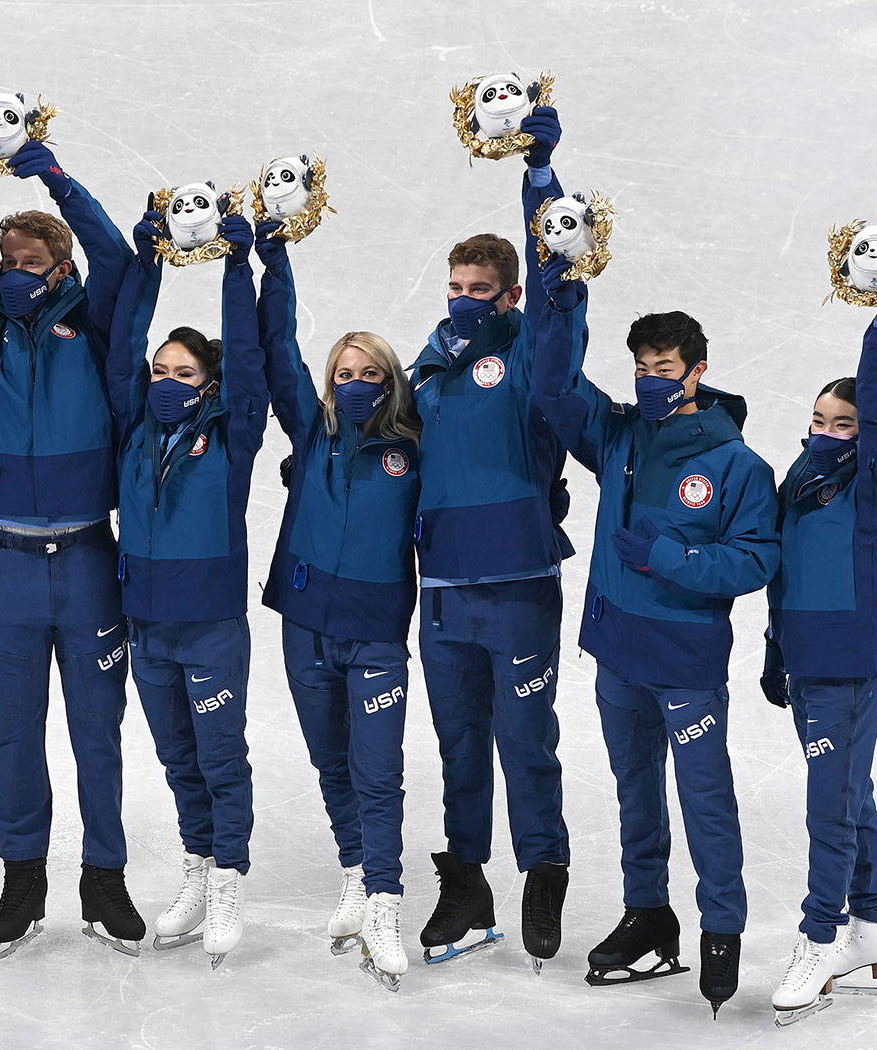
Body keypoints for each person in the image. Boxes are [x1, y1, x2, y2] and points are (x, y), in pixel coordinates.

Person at [528, 148, 779, 1014]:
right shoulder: (623, 438)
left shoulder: (738, 463)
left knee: (705, 799)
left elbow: (756, 559)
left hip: (686, 659)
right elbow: (556, 386)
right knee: (636, 796)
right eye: (641, 368)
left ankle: (722, 926)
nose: (649, 381)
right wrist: (563, 291)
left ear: (698, 371)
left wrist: (669, 560)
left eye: (665, 370)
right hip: (617, 654)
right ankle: (648, 914)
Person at [0, 130, 139, 956]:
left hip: (87, 561)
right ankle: (23, 875)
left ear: (60, 267)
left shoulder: (100, 322)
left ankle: (105, 877)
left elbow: (118, 258)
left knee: (97, 734)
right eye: (5, 254)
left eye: (29, 255)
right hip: (5, 561)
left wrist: (54, 179)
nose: (12, 265)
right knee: (15, 733)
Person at [405, 105, 575, 969]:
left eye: (482, 290)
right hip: (443, 593)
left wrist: (538, 176)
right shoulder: (426, 369)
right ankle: (466, 885)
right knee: (460, 742)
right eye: (457, 288)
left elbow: (557, 283)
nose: (466, 300)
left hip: (517, 584)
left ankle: (543, 870)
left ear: (509, 296)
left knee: (524, 737)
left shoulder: (530, 349)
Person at [254, 222, 420, 989]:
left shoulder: (413, 453)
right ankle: (356, 867)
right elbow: (277, 344)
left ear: (389, 385)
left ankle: (385, 899)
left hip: (377, 637)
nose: (354, 382)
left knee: (376, 767)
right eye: (343, 372)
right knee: (330, 761)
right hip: (305, 626)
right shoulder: (312, 435)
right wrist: (273, 260)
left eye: (369, 374)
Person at [106, 207, 268, 968]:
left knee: (219, 758)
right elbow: (118, 352)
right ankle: (199, 867)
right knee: (176, 760)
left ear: (209, 384)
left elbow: (248, 356)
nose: (168, 382)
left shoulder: (230, 438)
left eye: (185, 374)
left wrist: (238, 268)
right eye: (160, 373)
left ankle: (231, 876)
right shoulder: (134, 431)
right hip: (146, 628)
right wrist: (147, 262)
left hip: (209, 627)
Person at [765, 285, 877, 1023]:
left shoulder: (873, 486)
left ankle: (821, 934)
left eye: (844, 424)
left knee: (828, 802)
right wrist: (774, 648)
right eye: (819, 420)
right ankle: (871, 926)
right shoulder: (799, 480)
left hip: (851, 664)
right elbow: (784, 568)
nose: (828, 433)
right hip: (804, 661)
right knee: (847, 791)